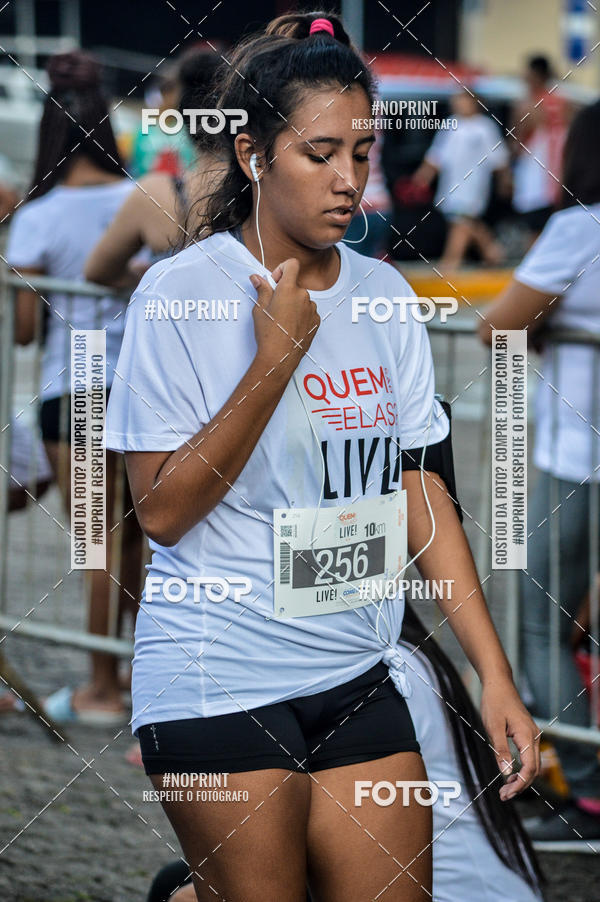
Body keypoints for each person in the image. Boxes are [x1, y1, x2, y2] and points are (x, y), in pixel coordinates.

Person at [105, 13, 539, 901]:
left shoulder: (384, 297)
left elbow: (422, 493)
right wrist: (275, 362)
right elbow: (161, 511)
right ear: (255, 155)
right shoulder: (180, 294)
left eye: (364, 152)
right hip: (216, 676)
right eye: (321, 154)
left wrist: (495, 675)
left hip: (353, 673)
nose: (349, 182)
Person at [145, 601, 546, 902]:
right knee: (189, 875)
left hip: (455, 889)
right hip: (483, 878)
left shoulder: (383, 671)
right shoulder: (411, 659)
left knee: (185, 890)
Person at [5, 50, 143, 724]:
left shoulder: (37, 217)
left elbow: (26, 333)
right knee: (144, 541)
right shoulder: (140, 197)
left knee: (98, 545)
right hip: (141, 391)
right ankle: (151, 677)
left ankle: (101, 687)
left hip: (74, 389)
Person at [478, 100, 600, 846]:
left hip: (577, 460)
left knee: (541, 626)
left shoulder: (579, 229)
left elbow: (496, 327)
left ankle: (587, 796)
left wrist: (550, 324)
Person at [85, 48, 227, 289]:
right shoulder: (267, 189)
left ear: (182, 115)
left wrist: (147, 279)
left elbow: (98, 271)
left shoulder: (154, 193)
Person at [413, 88, 511, 270]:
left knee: (462, 221)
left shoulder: (485, 127)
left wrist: (505, 181)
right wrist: (423, 176)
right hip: (451, 183)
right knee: (463, 220)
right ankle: (493, 252)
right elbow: (436, 156)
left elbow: (499, 159)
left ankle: (450, 263)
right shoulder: (450, 125)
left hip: (474, 184)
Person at [510, 55, 572, 242]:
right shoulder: (565, 102)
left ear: (534, 76)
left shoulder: (528, 105)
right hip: (560, 176)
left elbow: (517, 142)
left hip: (537, 177)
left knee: (535, 231)